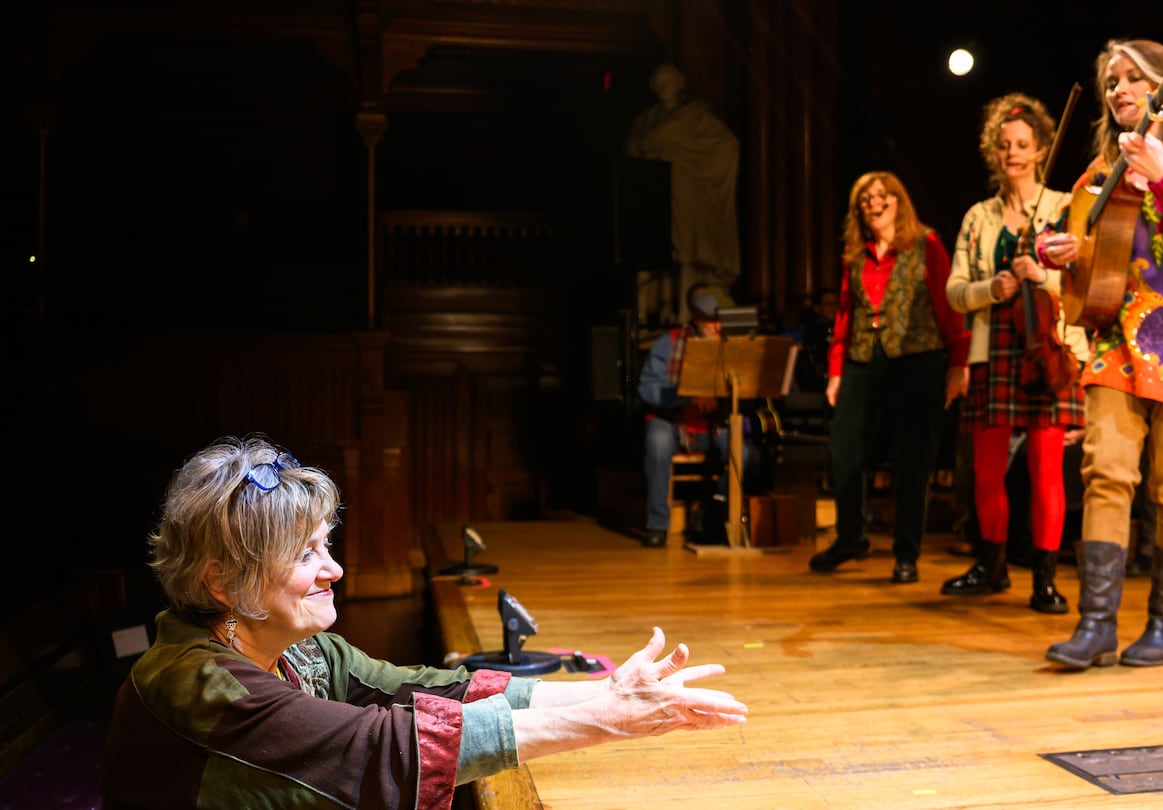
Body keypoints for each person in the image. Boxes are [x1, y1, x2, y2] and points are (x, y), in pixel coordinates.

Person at [101, 435, 747, 808]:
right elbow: (376, 746)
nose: (335, 571)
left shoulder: (300, 650)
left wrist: (604, 692)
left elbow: (422, 687)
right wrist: (608, 721)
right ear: (222, 581)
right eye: (304, 555)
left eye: (327, 545)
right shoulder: (195, 681)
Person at [1040, 37, 1163, 669]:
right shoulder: (1098, 174)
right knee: (1105, 475)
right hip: (1115, 341)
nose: (1120, 89)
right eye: (1111, 81)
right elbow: (1074, 237)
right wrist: (1062, 252)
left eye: (1134, 78)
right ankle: (1096, 623)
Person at [942, 92, 1089, 613]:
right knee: (986, 469)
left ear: (1040, 149)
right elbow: (954, 290)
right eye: (1004, 145)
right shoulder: (978, 217)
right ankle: (990, 565)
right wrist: (991, 289)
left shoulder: (1063, 206)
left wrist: (1042, 274)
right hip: (994, 349)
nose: (1013, 153)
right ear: (993, 151)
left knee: (1047, 468)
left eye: (1023, 144)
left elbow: (1083, 280)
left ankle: (1045, 578)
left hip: (1045, 348)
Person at [808, 171, 969, 584]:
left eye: (883, 196)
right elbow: (846, 315)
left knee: (912, 460)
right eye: (866, 199)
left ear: (899, 202)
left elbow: (949, 309)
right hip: (865, 358)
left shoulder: (926, 245)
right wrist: (836, 371)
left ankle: (906, 553)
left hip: (919, 359)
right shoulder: (855, 254)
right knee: (844, 450)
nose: (874, 204)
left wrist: (958, 363)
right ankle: (850, 537)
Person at [637, 283, 754, 548]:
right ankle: (657, 525)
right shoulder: (669, 343)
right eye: (711, 321)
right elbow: (648, 388)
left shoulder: (730, 345)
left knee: (742, 453)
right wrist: (688, 397)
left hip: (712, 425)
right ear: (696, 319)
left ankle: (710, 516)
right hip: (673, 422)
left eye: (720, 321)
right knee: (657, 444)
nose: (717, 327)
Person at [624, 64, 742, 324]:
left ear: (680, 84)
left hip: (686, 193)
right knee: (650, 256)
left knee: (685, 254)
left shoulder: (695, 117)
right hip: (654, 194)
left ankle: (684, 313)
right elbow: (632, 151)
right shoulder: (644, 121)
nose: (663, 85)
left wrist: (696, 165)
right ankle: (644, 316)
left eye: (668, 80)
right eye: (658, 81)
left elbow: (727, 145)